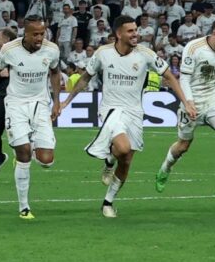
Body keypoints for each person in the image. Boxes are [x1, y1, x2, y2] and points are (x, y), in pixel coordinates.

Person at [59, 17, 157, 219]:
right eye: (130, 31)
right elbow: (86, 76)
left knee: (127, 159)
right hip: (110, 109)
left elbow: (169, 75)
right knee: (123, 147)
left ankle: (108, 200)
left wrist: (186, 100)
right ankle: (111, 156)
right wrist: (67, 101)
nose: (135, 34)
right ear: (119, 34)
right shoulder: (103, 53)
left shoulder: (146, 54)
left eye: (136, 30)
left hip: (135, 113)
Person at [155, 20, 215, 206]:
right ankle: (165, 168)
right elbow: (185, 78)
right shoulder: (194, 48)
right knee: (183, 145)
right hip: (193, 102)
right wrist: (188, 103)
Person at [0, 15, 65, 221]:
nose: (40, 38)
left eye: (42, 33)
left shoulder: (51, 50)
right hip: (15, 104)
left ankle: (29, 146)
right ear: (26, 33)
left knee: (46, 161)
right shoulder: (9, 50)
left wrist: (57, 101)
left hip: (40, 104)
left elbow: (54, 72)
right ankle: (24, 207)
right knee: (23, 153)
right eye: (35, 34)